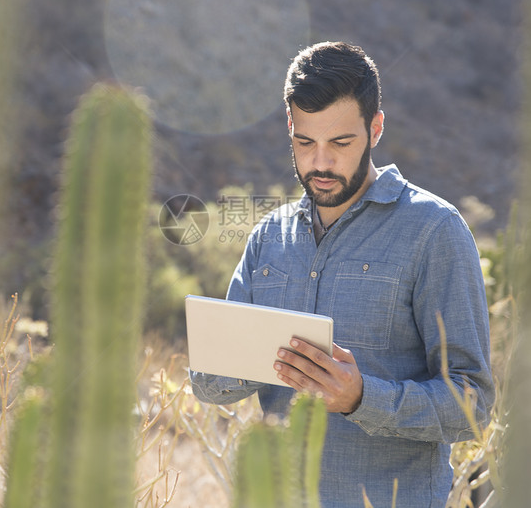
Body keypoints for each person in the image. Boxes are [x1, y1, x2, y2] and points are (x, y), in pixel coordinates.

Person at [190, 41, 494, 508]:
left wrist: (361, 397)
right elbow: (209, 383)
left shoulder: (435, 231)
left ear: (375, 128)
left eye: (341, 143)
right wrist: (240, 362)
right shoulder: (268, 236)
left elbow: (472, 405)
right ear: (290, 127)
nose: (321, 163)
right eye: (305, 143)